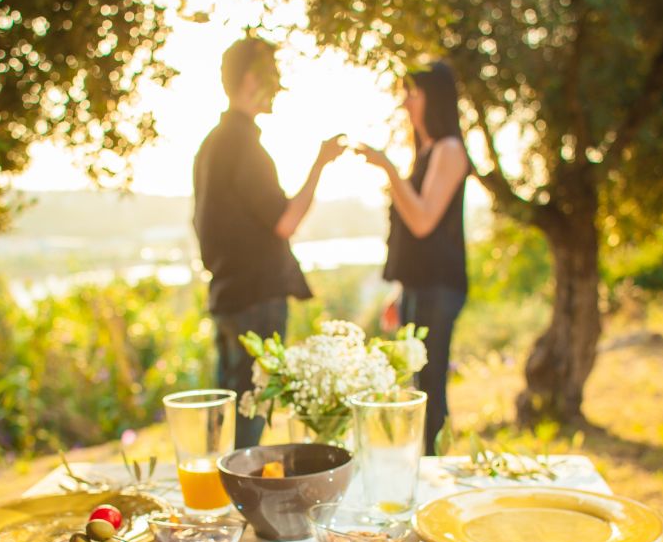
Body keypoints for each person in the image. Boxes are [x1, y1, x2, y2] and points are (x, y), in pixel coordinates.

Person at [193, 36, 344, 449]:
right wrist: (320, 163)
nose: (277, 86)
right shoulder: (244, 145)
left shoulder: (210, 144)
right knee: (250, 418)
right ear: (248, 80)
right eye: (271, 76)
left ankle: (219, 500)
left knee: (224, 414)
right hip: (254, 299)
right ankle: (241, 503)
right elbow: (286, 220)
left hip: (226, 295)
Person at [356, 61, 470, 455]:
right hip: (419, 287)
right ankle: (422, 468)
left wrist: (388, 167)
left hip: (441, 286)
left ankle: (434, 472)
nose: (405, 102)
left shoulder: (450, 150)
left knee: (431, 386)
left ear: (432, 99)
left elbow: (422, 221)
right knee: (418, 384)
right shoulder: (424, 154)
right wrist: (401, 292)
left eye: (413, 93)